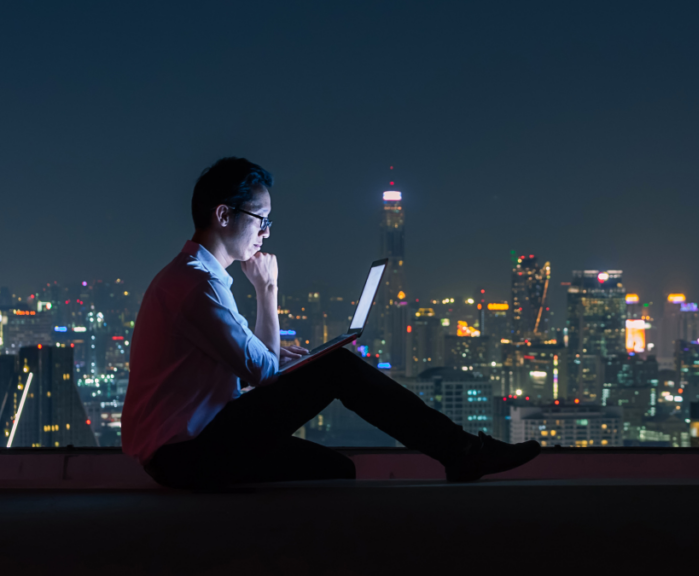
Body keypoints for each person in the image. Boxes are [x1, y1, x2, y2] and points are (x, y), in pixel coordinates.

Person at [122, 157, 540, 489]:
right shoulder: (199, 285)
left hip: (187, 448)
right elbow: (263, 373)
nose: (266, 232)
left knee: (335, 469)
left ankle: (461, 452)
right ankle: (463, 452)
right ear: (224, 215)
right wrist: (267, 289)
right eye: (260, 218)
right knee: (335, 367)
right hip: (185, 455)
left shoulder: (194, 276)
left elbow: (230, 358)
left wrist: (271, 350)